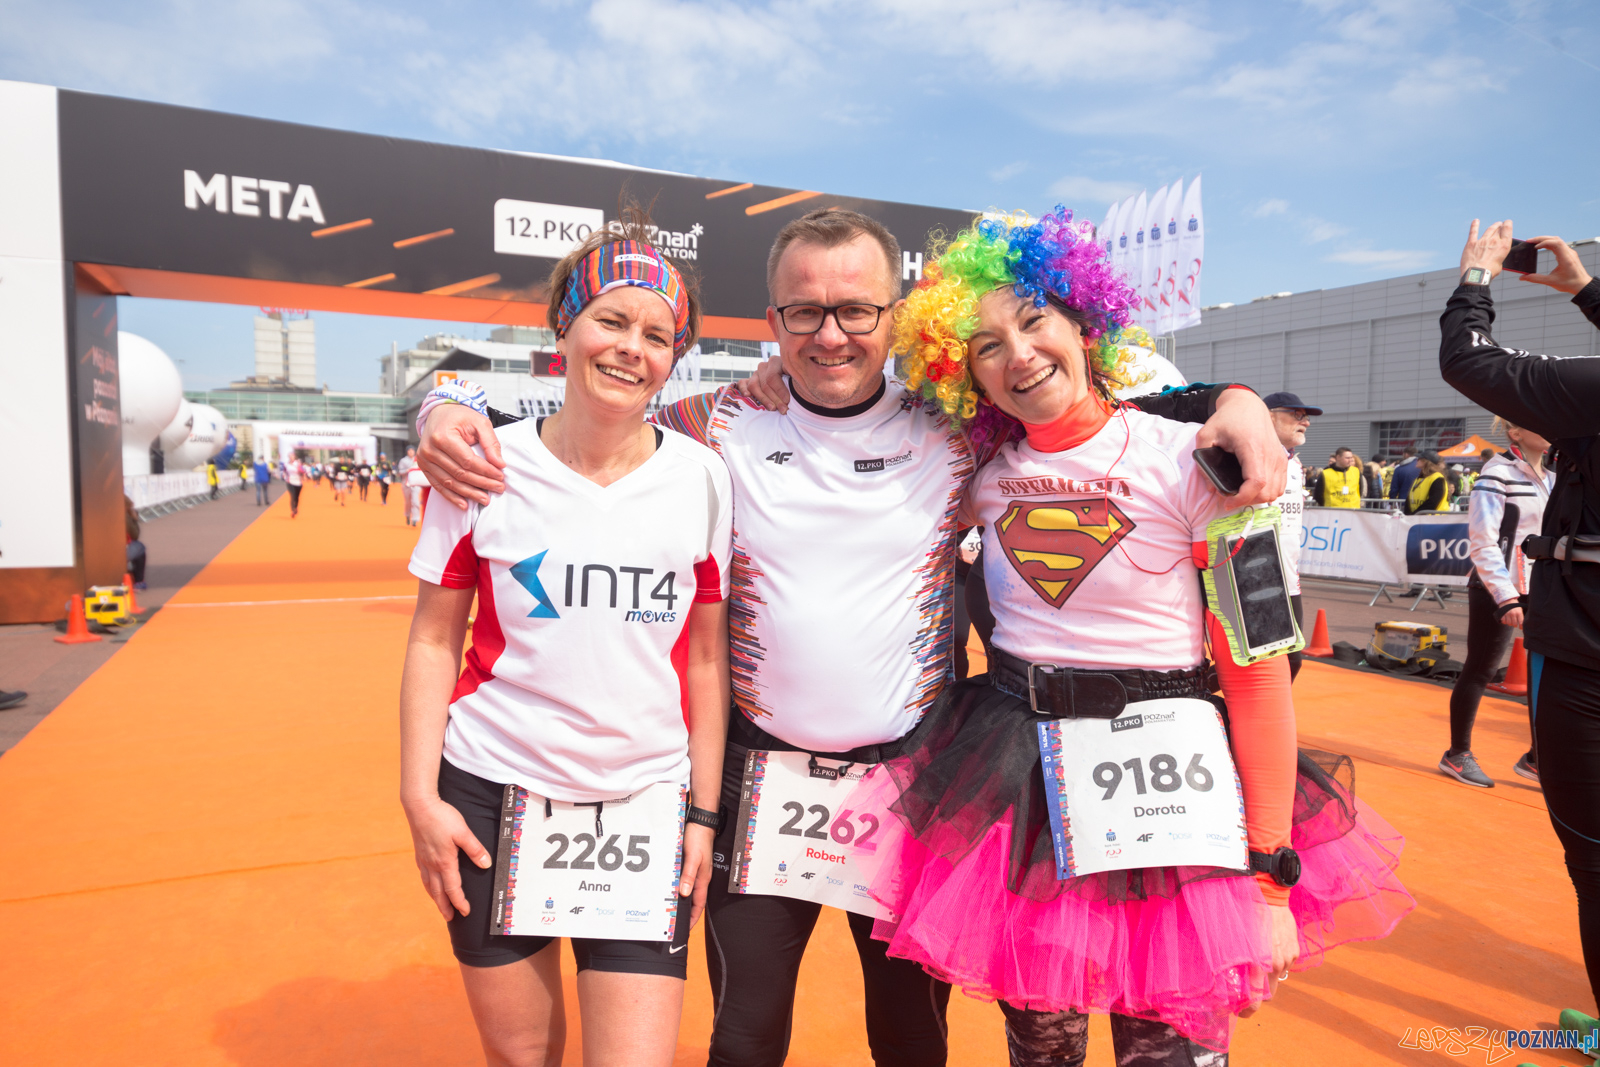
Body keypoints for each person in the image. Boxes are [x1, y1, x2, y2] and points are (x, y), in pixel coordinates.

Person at [413, 206, 1290, 1067]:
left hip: (919, 781)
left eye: (856, 311)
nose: (831, 334)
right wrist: (444, 405)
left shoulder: (959, 434)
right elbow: (599, 402)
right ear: (774, 322)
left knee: (911, 1042)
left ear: (895, 319)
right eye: (805, 312)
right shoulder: (714, 422)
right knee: (746, 1039)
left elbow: (1092, 412)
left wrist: (1238, 401)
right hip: (762, 779)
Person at [846, 210, 1410, 1063]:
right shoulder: (978, 477)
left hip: (1179, 798)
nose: (1018, 354)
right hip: (1027, 795)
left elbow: (1258, 677)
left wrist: (1269, 878)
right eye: (986, 345)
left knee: (1169, 1051)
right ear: (968, 377)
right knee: (1042, 1047)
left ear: (1084, 322)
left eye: (1033, 320)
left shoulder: (1203, 464)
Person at [401, 210, 733, 1067]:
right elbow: (434, 640)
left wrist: (703, 813)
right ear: (564, 328)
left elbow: (705, 658)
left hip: (645, 803)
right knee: (521, 1057)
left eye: (657, 335)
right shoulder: (482, 464)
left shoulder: (702, 478)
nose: (631, 348)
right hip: (491, 792)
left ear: (674, 356)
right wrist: (419, 796)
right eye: (611, 320)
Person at [1440, 218, 1600, 1044]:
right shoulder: (1501, 472)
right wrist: (1585, 292)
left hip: (1584, 652)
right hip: (1537, 611)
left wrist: (1477, 276)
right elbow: (1484, 542)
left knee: (1593, 858)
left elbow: (1469, 362)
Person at [1440, 420, 1552, 789]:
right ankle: (1457, 754)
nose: (1550, 428)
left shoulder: (1555, 475)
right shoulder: (1497, 473)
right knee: (1481, 669)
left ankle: (1537, 758)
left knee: (1546, 673)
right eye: (1539, 422)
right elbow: (1483, 540)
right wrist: (1505, 595)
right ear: (1515, 432)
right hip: (1496, 585)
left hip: (1542, 587)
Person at [1263, 393, 1314, 679]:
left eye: (1305, 417)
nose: (1306, 422)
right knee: (1262, 668)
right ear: (1268, 416)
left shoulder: (1294, 463)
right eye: (1297, 415)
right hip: (1253, 580)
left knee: (1291, 663)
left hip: (1288, 580)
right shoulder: (1247, 455)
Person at [124, 495, 147, 589]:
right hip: (122, 550)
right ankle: (139, 581)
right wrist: (134, 519)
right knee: (140, 547)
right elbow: (135, 535)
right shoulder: (125, 516)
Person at [398, 447, 422, 526]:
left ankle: (415, 518)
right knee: (408, 501)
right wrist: (407, 470)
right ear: (407, 452)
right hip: (406, 483)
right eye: (409, 450)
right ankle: (407, 515)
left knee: (415, 501)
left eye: (412, 450)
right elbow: (400, 472)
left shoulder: (418, 459)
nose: (411, 452)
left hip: (416, 483)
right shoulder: (403, 461)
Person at [283, 453, 305, 518]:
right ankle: (292, 510)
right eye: (290, 456)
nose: (291, 457)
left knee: (296, 497)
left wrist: (302, 473)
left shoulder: (298, 464)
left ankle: (296, 507)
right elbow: (284, 471)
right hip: (290, 481)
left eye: (292, 456)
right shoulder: (286, 464)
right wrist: (284, 476)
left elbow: (303, 471)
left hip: (298, 482)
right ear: (289, 457)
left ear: (294, 457)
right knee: (292, 496)